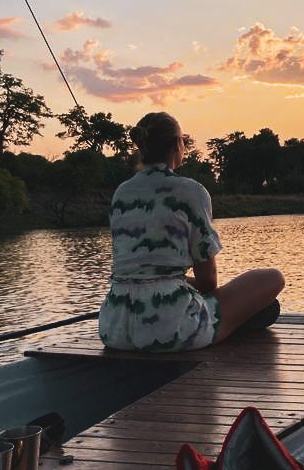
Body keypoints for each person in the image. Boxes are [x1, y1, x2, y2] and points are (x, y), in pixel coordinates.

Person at [98, 111, 284, 352]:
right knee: (272, 279)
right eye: (184, 141)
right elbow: (208, 283)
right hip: (171, 328)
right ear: (177, 144)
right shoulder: (191, 191)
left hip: (114, 328)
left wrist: (172, 278)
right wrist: (182, 282)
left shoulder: (121, 192)